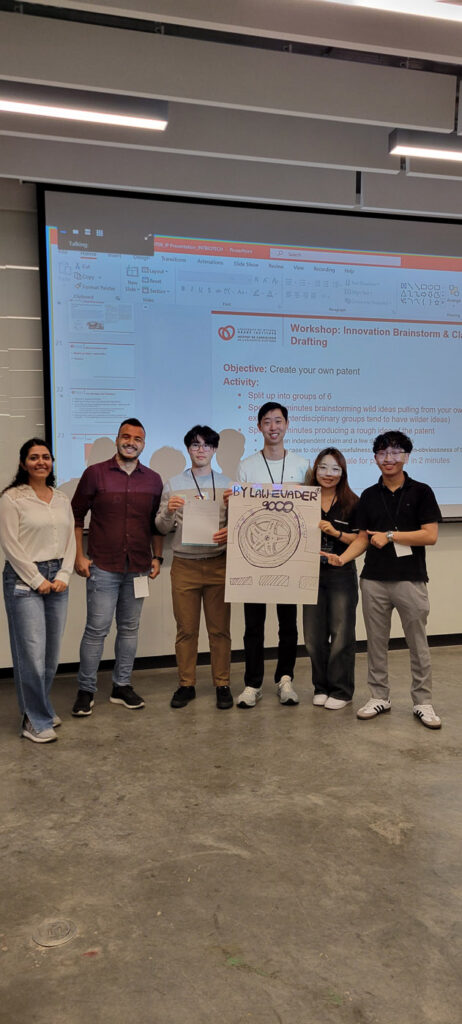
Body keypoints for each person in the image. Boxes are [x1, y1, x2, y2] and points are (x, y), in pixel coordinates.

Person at [325, 431, 442, 729]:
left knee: (417, 642)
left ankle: (422, 701)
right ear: (375, 458)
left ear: (406, 456)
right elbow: (363, 538)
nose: (388, 458)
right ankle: (379, 696)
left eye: (395, 452)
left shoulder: (421, 491)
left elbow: (430, 535)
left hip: (410, 579)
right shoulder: (368, 495)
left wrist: (391, 536)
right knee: (376, 643)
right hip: (373, 580)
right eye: (382, 453)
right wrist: (342, 559)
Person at [71, 418, 163, 716]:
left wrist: (158, 557)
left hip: (138, 566)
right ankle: (86, 690)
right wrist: (78, 556)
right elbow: (75, 516)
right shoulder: (95, 474)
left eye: (137, 438)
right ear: (117, 439)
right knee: (96, 630)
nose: (131, 442)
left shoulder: (153, 480)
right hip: (103, 566)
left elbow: (156, 525)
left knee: (129, 629)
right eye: (126, 436)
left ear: (143, 444)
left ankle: (121, 686)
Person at [0, 438, 75, 743]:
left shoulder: (61, 498)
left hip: (57, 578)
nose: (41, 462)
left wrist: (65, 574)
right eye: (34, 457)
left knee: (50, 655)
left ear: (52, 461)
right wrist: (35, 578)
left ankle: (40, 708)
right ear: (23, 464)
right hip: (23, 579)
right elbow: (10, 544)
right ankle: (34, 719)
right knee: (31, 653)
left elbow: (71, 540)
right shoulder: (11, 498)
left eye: (46, 456)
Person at [236, 402, 309, 708]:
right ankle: (252, 683)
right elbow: (241, 511)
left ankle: (285, 679)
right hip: (255, 555)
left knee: (288, 624)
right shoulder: (247, 465)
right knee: (253, 625)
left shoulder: (303, 464)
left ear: (287, 425)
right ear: (259, 427)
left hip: (290, 556)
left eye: (278, 421)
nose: (273, 427)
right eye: (267, 422)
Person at [155, 425, 233, 710]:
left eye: (207, 445)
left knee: (219, 630)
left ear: (215, 450)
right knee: (186, 630)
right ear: (188, 449)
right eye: (196, 445)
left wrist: (231, 529)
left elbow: (240, 525)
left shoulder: (229, 484)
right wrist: (168, 511)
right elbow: (161, 527)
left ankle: (222, 684)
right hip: (185, 566)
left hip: (218, 564)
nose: (201, 450)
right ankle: (186, 684)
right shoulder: (173, 484)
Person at [303, 448, 359, 710]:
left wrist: (336, 533)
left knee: (341, 633)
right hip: (309, 572)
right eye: (323, 467)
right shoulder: (304, 498)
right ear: (315, 469)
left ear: (343, 472)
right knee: (313, 636)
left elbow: (361, 539)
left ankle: (341, 691)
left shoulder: (352, 502)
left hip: (340, 571)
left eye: (335, 469)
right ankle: (321, 687)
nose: (328, 473)